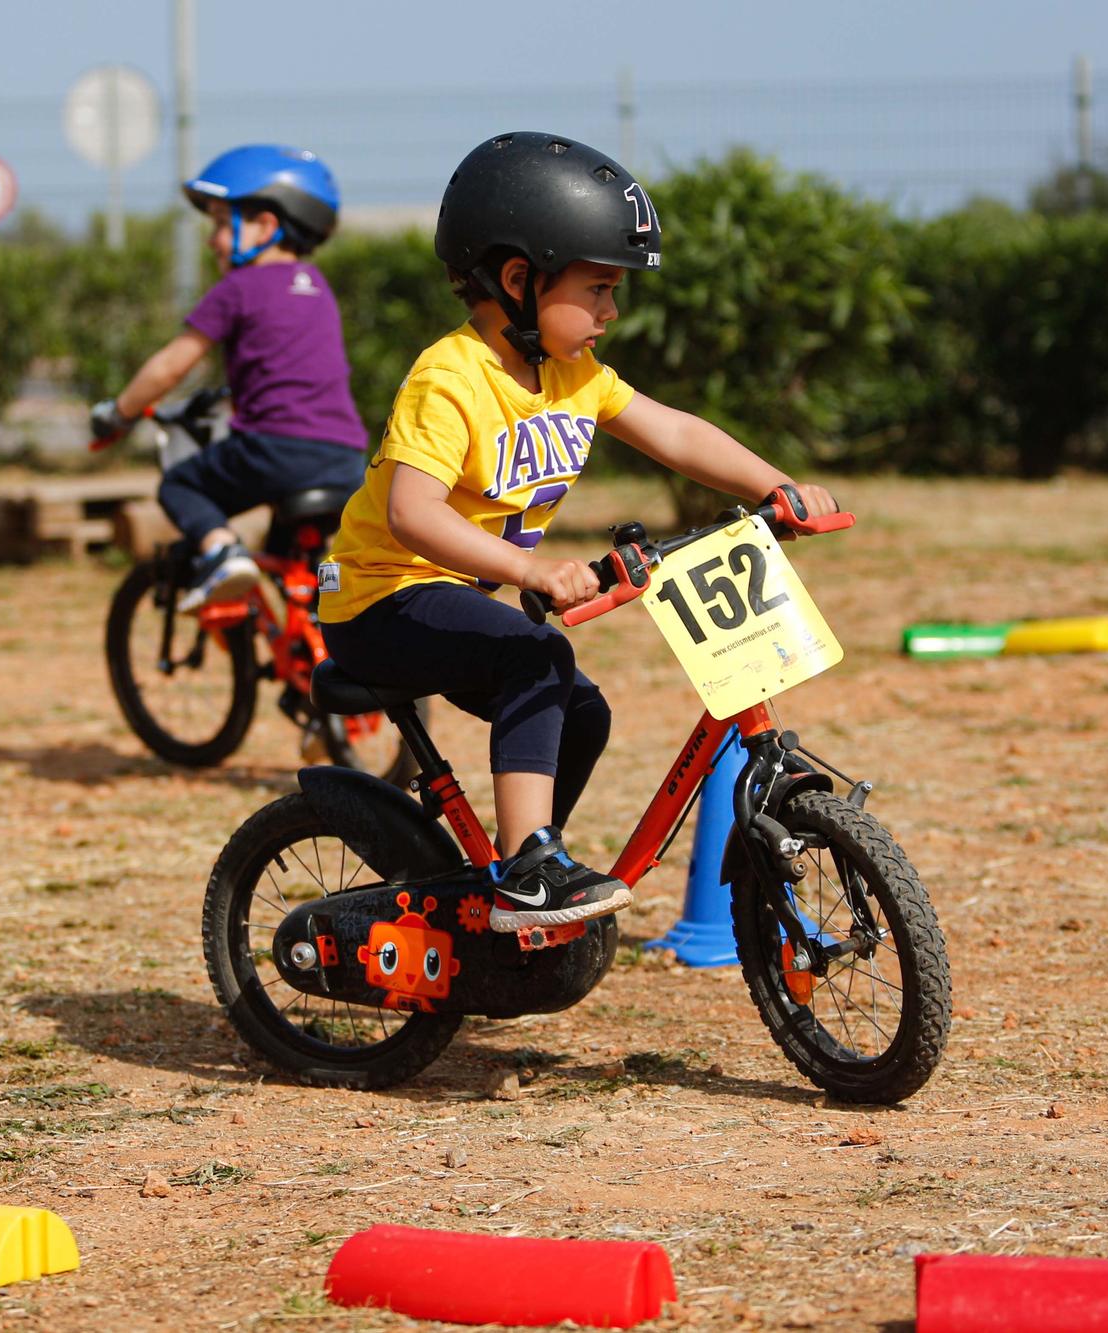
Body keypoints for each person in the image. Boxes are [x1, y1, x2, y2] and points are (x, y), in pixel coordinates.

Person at [315, 131, 838, 933]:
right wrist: (531, 573)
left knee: (584, 711)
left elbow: (677, 434)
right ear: (520, 279)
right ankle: (529, 869)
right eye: (597, 288)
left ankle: (511, 878)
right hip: (381, 598)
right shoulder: (448, 376)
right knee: (537, 654)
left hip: (458, 598)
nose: (611, 311)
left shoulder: (574, 377)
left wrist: (778, 486)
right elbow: (411, 516)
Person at [91, 145, 369, 610]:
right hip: (345, 458)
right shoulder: (318, 288)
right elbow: (295, 368)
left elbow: (171, 365)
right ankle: (308, 654)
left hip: (274, 449)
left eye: (221, 223)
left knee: (180, 485)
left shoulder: (237, 288)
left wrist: (117, 414)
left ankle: (221, 551)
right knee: (295, 567)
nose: (211, 239)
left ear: (265, 226)